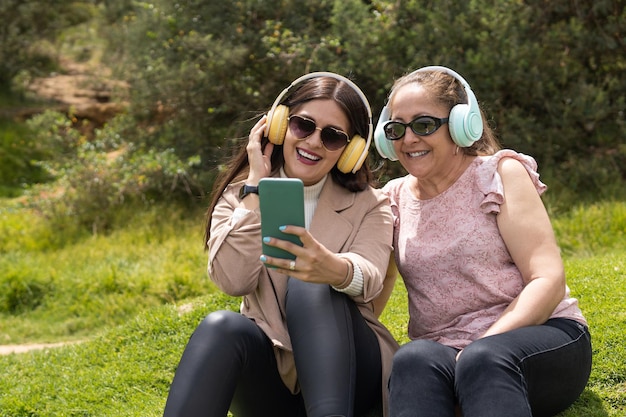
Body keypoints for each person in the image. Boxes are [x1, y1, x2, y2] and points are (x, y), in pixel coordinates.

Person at [162, 72, 399, 417]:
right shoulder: (240, 197)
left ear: (351, 151)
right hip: (274, 374)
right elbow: (231, 280)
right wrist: (256, 186)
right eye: (303, 125)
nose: (314, 142)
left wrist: (329, 268)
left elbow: (372, 275)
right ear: (278, 126)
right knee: (222, 327)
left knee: (311, 284)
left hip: (351, 373)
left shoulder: (371, 204)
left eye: (333, 137)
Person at [373, 66, 592, 417]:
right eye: (396, 129)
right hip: (447, 353)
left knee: (483, 358)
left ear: (462, 124)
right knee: (413, 358)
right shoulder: (391, 199)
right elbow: (375, 290)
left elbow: (547, 279)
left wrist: (479, 345)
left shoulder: (500, 174)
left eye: (424, 125)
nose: (408, 139)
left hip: (542, 336)